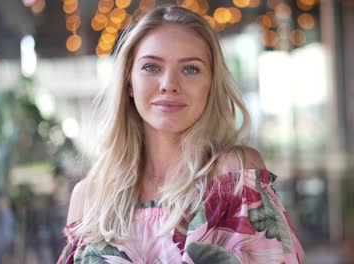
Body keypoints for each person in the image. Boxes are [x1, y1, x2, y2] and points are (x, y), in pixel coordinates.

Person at [58, 5, 305, 263]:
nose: (169, 85)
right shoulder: (89, 197)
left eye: (190, 69)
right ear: (129, 82)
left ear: (211, 84)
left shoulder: (234, 176)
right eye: (152, 67)